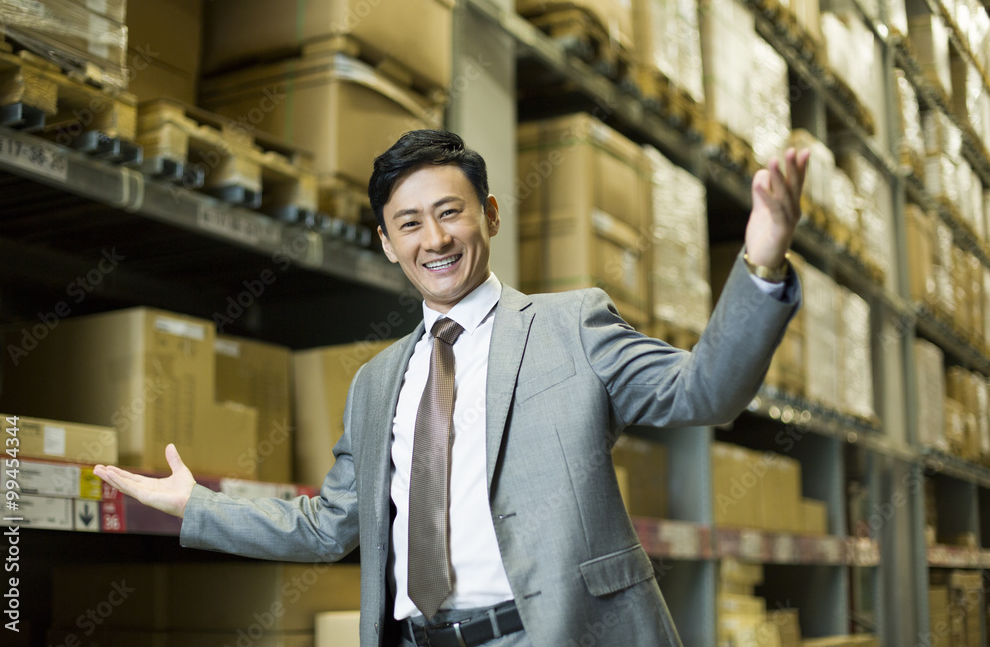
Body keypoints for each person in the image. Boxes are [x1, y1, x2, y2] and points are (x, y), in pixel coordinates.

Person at [94, 129, 809, 647]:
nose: (433, 238)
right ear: (385, 241)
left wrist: (764, 257)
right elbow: (326, 526)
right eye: (409, 222)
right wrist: (198, 507)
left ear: (489, 215)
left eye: (450, 212)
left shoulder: (570, 324)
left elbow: (704, 391)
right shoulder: (376, 384)